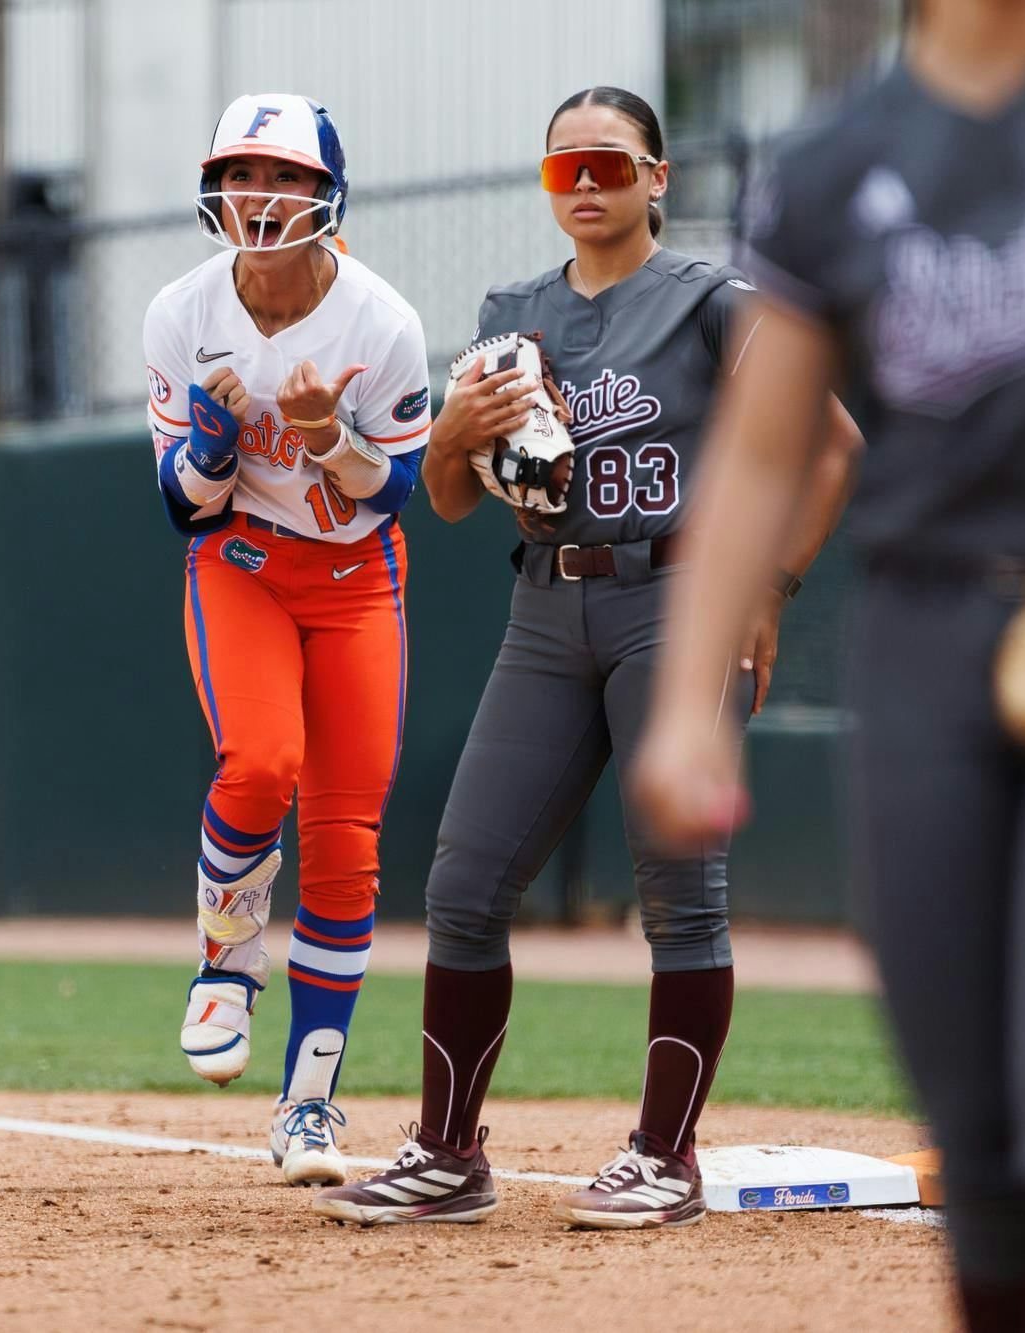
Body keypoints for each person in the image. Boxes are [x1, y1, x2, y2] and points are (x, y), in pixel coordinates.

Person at [630, 2, 1025, 1328]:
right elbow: (761, 452)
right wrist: (685, 705)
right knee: (977, 1151)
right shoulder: (830, 163)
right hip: (925, 649)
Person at [315, 87, 859, 1229]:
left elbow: (832, 444)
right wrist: (453, 432)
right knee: (463, 884)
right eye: (566, 167)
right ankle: (448, 1153)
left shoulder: (712, 303)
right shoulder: (512, 313)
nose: (588, 183)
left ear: (657, 176)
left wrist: (768, 587)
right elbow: (455, 503)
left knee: (678, 893)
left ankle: (665, 1156)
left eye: (611, 162)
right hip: (546, 609)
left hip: (681, 601)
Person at [145, 93, 432, 1187]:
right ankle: (225, 960)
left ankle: (306, 1102)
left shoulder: (378, 321)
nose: (260, 198)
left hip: (353, 574)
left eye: (286, 179)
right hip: (245, 563)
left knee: (348, 834)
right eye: (242, 175)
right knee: (262, 758)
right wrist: (215, 443)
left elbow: (385, 499)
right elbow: (185, 507)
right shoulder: (180, 310)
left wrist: (328, 437)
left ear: (326, 194)